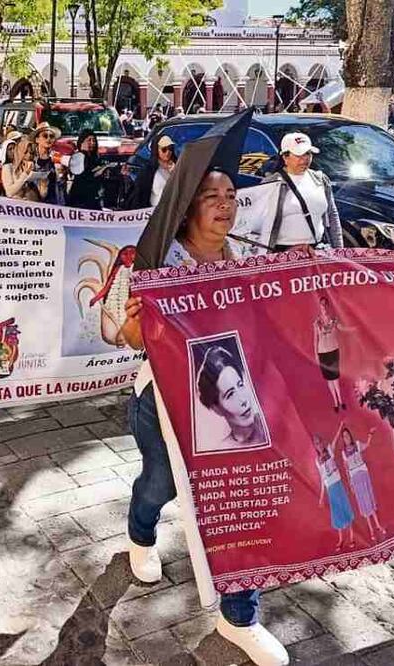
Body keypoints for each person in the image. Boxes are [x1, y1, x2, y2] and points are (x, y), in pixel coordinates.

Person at [120, 167, 290, 666]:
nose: (224, 204)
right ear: (187, 207)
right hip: (165, 403)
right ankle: (141, 529)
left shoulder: (245, 256)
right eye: (211, 196)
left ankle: (239, 617)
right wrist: (136, 322)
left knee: (238, 503)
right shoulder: (157, 260)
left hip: (235, 407)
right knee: (162, 484)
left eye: (231, 195)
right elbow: (131, 341)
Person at [260, 133, 343, 252]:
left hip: (318, 251)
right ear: (285, 157)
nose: (305, 159)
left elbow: (332, 215)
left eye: (308, 154)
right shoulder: (271, 184)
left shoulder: (320, 179)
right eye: (299, 155)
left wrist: (339, 250)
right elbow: (259, 225)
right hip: (283, 254)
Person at [195, 345, 269, 450]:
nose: (243, 400)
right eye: (230, 394)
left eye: (240, 385)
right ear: (217, 409)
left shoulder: (271, 422)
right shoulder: (222, 449)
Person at [339, 426, 385, 540]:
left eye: (348, 435)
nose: (347, 437)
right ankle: (371, 530)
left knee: (369, 499)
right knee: (363, 504)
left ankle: (378, 525)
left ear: (350, 436)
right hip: (355, 478)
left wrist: (370, 434)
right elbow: (346, 470)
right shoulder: (344, 453)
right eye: (344, 436)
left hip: (364, 474)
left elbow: (367, 445)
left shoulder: (358, 445)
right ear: (343, 439)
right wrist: (351, 485)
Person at [316, 426, 356, 550]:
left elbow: (335, 440)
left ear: (322, 443)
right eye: (316, 443)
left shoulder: (329, 451)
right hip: (330, 489)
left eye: (320, 442)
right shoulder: (317, 460)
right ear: (315, 446)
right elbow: (322, 478)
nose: (319, 445)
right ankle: (340, 539)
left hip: (338, 483)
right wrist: (322, 497)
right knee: (336, 513)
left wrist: (340, 427)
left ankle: (351, 537)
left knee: (345, 508)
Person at [123, 134, 176, 209]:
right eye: (164, 149)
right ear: (156, 149)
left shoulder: (177, 167)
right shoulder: (148, 170)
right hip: (155, 213)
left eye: (170, 148)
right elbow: (140, 196)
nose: (168, 152)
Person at [314, 296, 345, 411]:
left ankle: (341, 401)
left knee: (335, 377)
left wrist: (351, 329)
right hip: (323, 352)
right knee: (329, 378)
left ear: (328, 306)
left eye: (325, 305)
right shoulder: (317, 322)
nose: (324, 307)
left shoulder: (334, 320)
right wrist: (316, 354)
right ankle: (335, 402)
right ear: (320, 307)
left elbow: (341, 328)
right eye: (322, 305)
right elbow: (315, 339)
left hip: (333, 350)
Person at [66, 129, 104, 210]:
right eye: (89, 140)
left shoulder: (96, 158)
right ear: (81, 143)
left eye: (94, 140)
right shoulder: (77, 157)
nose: (92, 143)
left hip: (93, 198)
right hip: (79, 200)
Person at [30, 122, 63, 205]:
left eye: (51, 136)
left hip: (54, 204)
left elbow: (60, 184)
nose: (48, 139)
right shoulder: (30, 157)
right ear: (37, 139)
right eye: (45, 136)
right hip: (34, 204)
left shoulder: (57, 157)